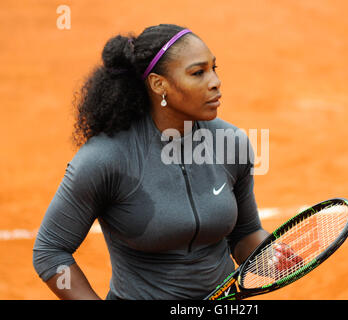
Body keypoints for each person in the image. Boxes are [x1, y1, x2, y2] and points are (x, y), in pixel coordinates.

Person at [32, 23, 287, 300]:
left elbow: (245, 234)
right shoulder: (106, 158)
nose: (215, 82)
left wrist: (271, 257)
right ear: (158, 84)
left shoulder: (232, 143)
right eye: (198, 73)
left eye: (215, 68)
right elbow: (50, 251)